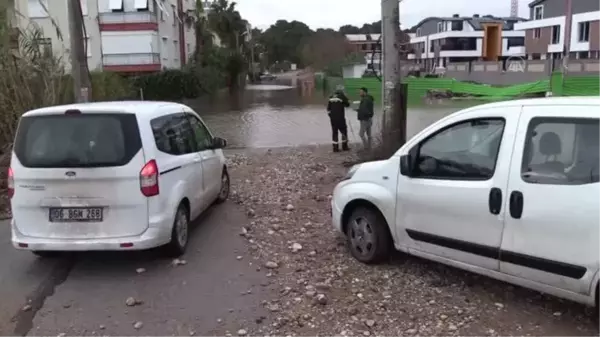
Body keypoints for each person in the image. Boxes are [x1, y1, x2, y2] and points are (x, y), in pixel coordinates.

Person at [326, 85, 350, 152]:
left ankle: (335, 148)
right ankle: (344, 147)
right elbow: (347, 105)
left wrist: (331, 116)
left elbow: (328, 109)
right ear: (341, 91)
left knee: (334, 132)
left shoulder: (331, 96)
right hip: (340, 118)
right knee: (343, 131)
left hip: (333, 119)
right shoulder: (342, 96)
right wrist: (346, 99)